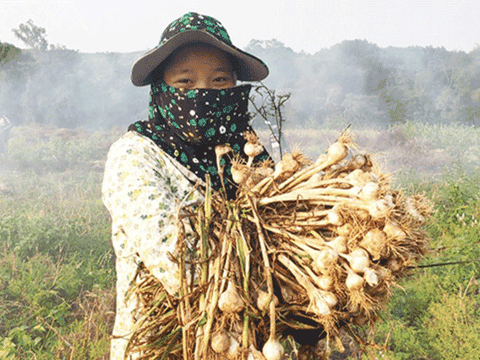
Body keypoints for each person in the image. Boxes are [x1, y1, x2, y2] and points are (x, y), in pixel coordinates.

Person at [101, 12, 271, 359]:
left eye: (220, 80)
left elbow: (286, 218)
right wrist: (287, 286)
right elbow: (186, 270)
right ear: (161, 91)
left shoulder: (249, 156)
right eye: (184, 83)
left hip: (250, 345)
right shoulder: (135, 156)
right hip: (162, 348)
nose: (202, 93)